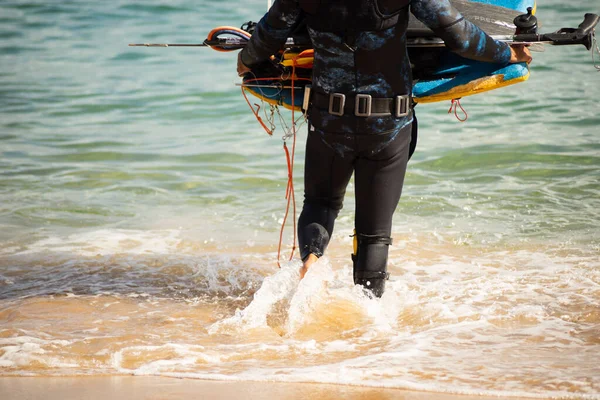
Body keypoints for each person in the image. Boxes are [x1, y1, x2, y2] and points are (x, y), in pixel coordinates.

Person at [237, 0, 531, 297]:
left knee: (321, 204)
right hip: (388, 122)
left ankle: (311, 263)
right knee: (374, 233)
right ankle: (368, 317)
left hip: (329, 119)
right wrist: (508, 52)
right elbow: (460, 36)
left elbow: (269, 34)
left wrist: (246, 59)